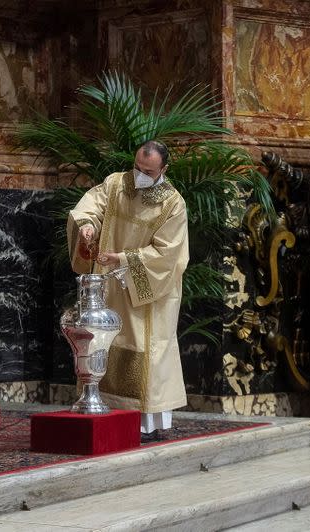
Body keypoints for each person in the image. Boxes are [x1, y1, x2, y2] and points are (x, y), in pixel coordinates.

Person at [67, 140, 189, 435]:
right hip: (109, 288)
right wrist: (87, 226)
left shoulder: (173, 204)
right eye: (137, 167)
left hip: (146, 293)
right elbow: (90, 206)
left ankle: (147, 423)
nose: (139, 175)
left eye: (148, 171)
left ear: (164, 169)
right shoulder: (116, 184)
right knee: (104, 343)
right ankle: (104, 414)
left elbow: (168, 255)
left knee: (146, 349)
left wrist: (121, 259)